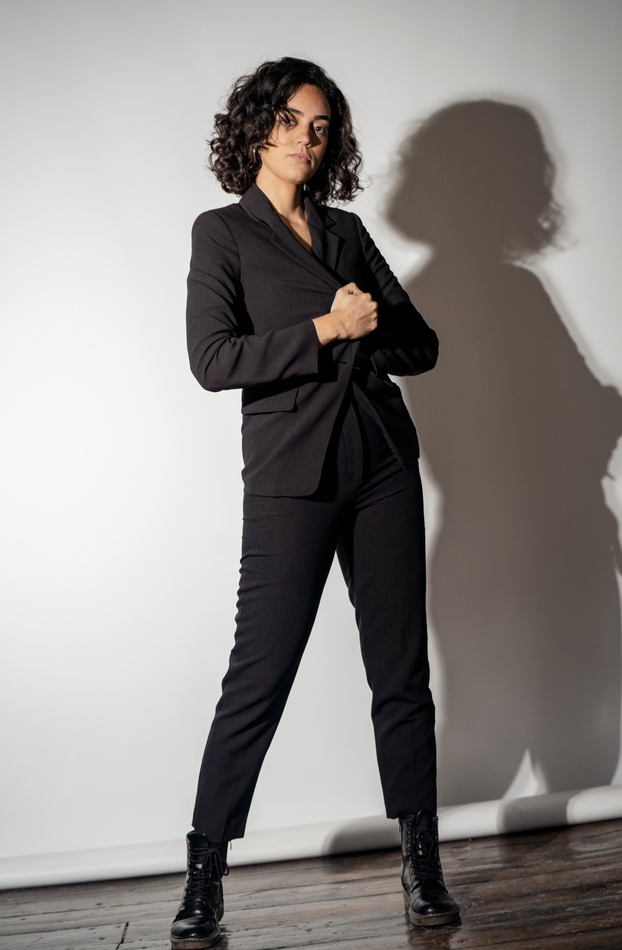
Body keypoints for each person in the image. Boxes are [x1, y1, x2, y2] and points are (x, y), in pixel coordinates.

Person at [170, 57, 459, 949]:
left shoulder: (346, 232)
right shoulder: (223, 233)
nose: (305, 138)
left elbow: (419, 346)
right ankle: (204, 873)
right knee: (258, 676)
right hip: (291, 475)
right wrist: (328, 328)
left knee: (400, 674)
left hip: (381, 466)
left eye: (320, 128)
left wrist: (366, 327)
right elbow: (213, 360)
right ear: (256, 127)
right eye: (290, 120)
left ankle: (421, 864)